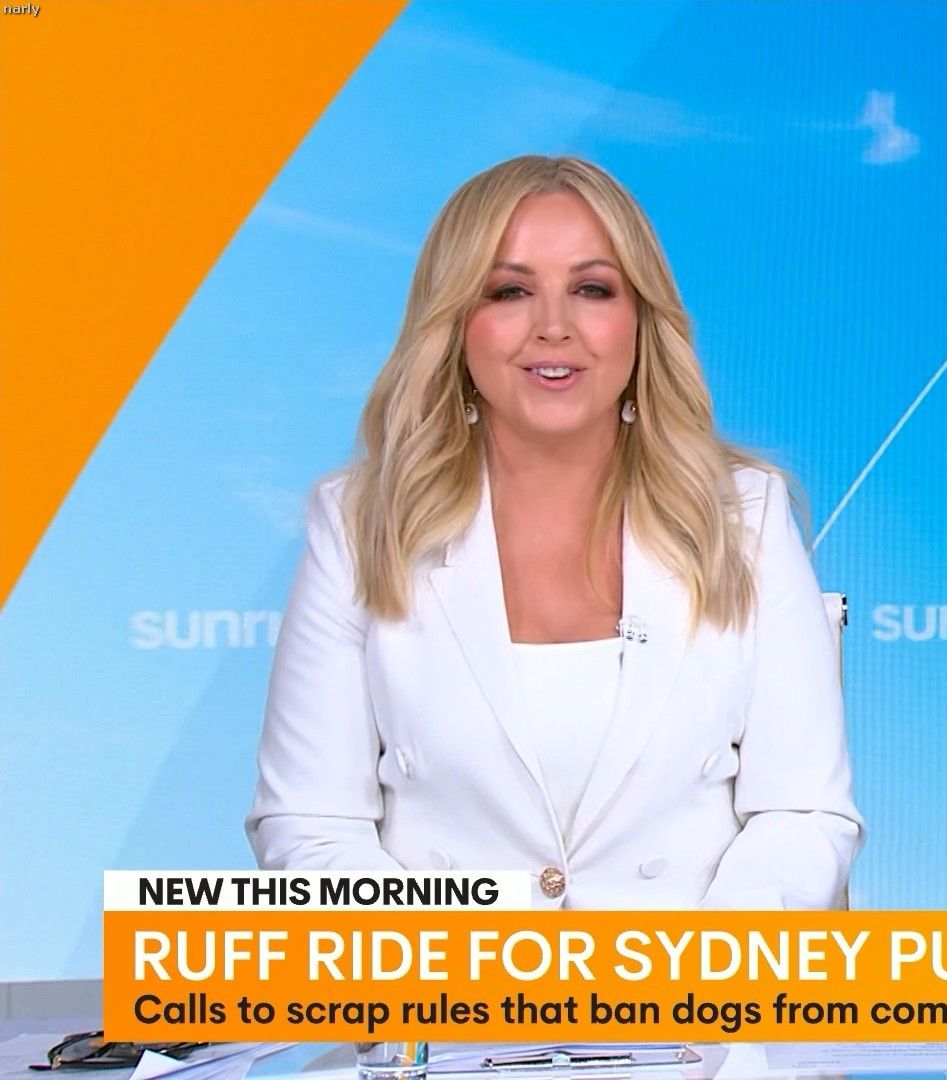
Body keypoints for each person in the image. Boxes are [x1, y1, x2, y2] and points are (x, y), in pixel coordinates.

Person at [246, 155, 861, 909]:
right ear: (455, 324)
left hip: (695, 982)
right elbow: (311, 825)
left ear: (640, 320)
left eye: (592, 289)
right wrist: (467, 975)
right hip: (442, 980)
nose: (554, 328)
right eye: (509, 292)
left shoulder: (746, 519)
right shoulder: (358, 524)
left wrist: (695, 977)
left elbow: (801, 816)